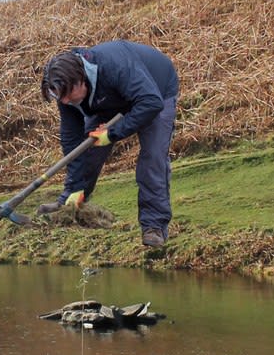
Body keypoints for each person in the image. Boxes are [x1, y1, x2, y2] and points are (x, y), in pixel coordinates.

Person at [40, 41, 179, 250]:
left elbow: (150, 102)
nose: (66, 101)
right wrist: (76, 186)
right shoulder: (64, 90)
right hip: (110, 99)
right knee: (88, 148)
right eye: (62, 97)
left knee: (152, 158)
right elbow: (72, 138)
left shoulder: (116, 65)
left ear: (81, 80)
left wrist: (113, 133)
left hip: (156, 91)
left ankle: (154, 227)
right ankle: (70, 200)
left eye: (69, 95)